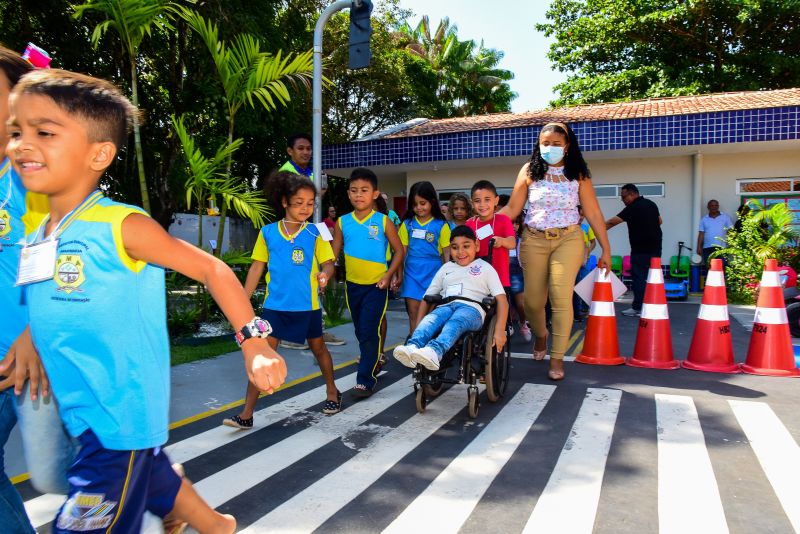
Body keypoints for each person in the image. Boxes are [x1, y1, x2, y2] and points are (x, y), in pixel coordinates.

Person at [8, 68, 288, 532]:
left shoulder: (121, 225)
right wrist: (30, 336)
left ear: (99, 152)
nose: (22, 144)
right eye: (17, 131)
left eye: (44, 132)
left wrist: (254, 342)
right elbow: (58, 301)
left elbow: (211, 268)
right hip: (86, 415)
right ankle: (216, 526)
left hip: (120, 419)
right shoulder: (41, 234)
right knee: (152, 473)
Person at [223, 171, 341, 430]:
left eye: (310, 204)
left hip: (307, 307)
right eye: (299, 203)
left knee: (319, 349)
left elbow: (329, 264)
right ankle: (247, 413)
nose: (305, 208)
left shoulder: (316, 233)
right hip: (274, 307)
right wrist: (241, 301)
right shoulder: (267, 233)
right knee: (262, 355)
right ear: (285, 202)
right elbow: (256, 268)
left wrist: (325, 274)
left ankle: (332, 391)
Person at [503, 122, 612, 381]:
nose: (549, 148)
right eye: (545, 143)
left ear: (567, 146)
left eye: (555, 143)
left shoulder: (578, 174)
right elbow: (512, 209)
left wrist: (606, 250)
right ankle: (541, 335)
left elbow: (594, 213)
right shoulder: (529, 171)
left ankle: (557, 358)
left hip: (569, 238)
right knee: (532, 303)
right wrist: (481, 224)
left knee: (561, 298)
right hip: (533, 240)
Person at [0, 44, 47, 534]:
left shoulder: (30, 177)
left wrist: (33, 334)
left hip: (39, 358)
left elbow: (55, 257)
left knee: (97, 463)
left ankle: (162, 494)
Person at [393, 225, 508, 370]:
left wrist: (499, 330)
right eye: (455, 247)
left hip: (472, 309)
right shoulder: (446, 267)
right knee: (430, 320)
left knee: (455, 321)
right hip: (446, 305)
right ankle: (412, 346)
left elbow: (502, 300)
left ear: (476, 245)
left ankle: (435, 350)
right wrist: (417, 325)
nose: (460, 252)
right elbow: (427, 297)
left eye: (466, 246)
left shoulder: (485, 268)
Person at [332, 168, 404, 397]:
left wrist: (388, 274)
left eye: (364, 190)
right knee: (360, 330)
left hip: (376, 286)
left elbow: (399, 250)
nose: (358, 195)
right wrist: (322, 272)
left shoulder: (383, 221)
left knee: (369, 329)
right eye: (354, 191)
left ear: (375, 194)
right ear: (348, 194)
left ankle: (365, 379)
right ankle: (372, 361)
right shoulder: (342, 222)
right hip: (352, 286)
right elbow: (332, 255)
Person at [279, 132, 345, 348]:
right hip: (294, 232)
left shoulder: (312, 171)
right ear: (290, 151)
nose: (306, 152)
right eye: (301, 148)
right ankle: (291, 335)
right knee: (296, 279)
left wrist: (321, 194)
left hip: (313, 229)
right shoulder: (286, 173)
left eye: (309, 148)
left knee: (318, 278)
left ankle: (318, 329)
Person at [398, 181, 451, 335]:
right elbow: (401, 253)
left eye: (423, 203)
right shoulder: (406, 224)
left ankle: (426, 348)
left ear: (432, 202)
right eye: (415, 204)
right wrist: (398, 274)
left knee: (428, 315)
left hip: (433, 274)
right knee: (413, 313)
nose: (419, 208)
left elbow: (446, 255)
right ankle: (414, 347)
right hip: (411, 273)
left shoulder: (442, 225)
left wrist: (447, 278)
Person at [606, 183, 662, 317]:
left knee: (639, 278)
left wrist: (594, 230)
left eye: (624, 197)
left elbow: (611, 222)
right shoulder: (651, 204)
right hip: (656, 247)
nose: (622, 200)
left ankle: (638, 308)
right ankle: (653, 306)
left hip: (640, 249)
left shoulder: (633, 207)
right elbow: (660, 221)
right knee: (653, 278)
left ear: (632, 194)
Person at [467, 180, 515, 289]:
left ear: (496, 200)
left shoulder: (503, 220)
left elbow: (512, 243)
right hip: (477, 281)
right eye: (477, 201)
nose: (482, 204)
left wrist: (502, 241)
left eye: (487, 200)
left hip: (500, 279)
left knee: (501, 305)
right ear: (472, 203)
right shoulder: (470, 223)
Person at [509, 214, 532, 341]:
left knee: (521, 304)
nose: (514, 226)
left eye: (516, 223)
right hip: (500, 275)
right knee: (503, 305)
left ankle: (523, 323)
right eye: (512, 223)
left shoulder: (522, 241)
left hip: (517, 275)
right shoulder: (500, 239)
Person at [573, 205, 597, 321]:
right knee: (575, 286)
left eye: (583, 215)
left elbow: (593, 243)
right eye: (579, 215)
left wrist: (586, 255)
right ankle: (576, 311)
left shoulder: (587, 228)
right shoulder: (570, 229)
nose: (581, 217)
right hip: (573, 261)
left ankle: (584, 308)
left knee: (584, 284)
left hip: (585, 260)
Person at [696, 199, 733, 266]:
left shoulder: (725, 217)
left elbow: (731, 231)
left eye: (716, 205)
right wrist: (699, 247)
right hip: (707, 248)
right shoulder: (704, 219)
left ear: (718, 206)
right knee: (710, 267)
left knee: (722, 267)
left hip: (722, 247)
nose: (714, 207)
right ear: (708, 207)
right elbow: (701, 233)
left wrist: (731, 244)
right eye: (712, 205)